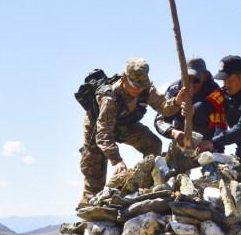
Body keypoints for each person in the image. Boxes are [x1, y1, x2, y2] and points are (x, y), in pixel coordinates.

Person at [78, 57, 185, 209]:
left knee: (153, 144)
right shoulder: (109, 98)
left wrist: (176, 102)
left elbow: (163, 107)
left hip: (125, 125)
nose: (139, 90)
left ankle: (145, 184)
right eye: (135, 86)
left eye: (142, 85)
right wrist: (116, 160)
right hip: (98, 128)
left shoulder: (146, 89)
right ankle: (88, 211)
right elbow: (103, 134)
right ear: (124, 80)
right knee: (94, 172)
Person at [154, 57, 227, 150]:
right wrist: (173, 132)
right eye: (187, 80)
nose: (191, 85)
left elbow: (220, 124)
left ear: (205, 77)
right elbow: (160, 120)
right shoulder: (174, 89)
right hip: (182, 140)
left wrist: (214, 143)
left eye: (196, 80)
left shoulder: (215, 91)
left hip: (207, 141)